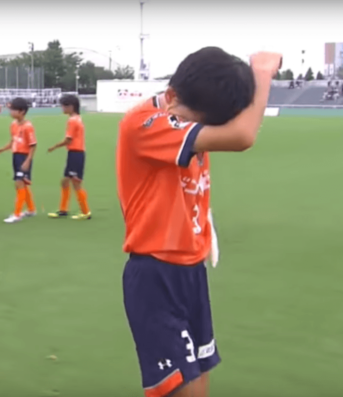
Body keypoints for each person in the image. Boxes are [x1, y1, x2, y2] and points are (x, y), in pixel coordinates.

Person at [116, 48, 281, 397]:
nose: (202, 131)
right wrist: (262, 74)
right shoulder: (144, 124)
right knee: (182, 390)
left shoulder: (185, 113)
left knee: (201, 383)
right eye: (199, 122)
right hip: (156, 277)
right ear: (172, 97)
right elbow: (242, 136)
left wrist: (202, 225)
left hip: (191, 272)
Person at [47, 94, 91, 220]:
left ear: (71, 107)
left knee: (75, 182)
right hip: (75, 153)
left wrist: (54, 146)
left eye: (64, 105)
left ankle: (85, 211)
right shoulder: (77, 118)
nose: (62, 108)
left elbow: (68, 140)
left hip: (76, 153)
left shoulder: (72, 120)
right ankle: (63, 210)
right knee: (65, 181)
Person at [0, 97, 37, 224]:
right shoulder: (13, 125)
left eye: (13, 110)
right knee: (22, 183)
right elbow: (13, 141)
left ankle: (17, 214)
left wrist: (28, 160)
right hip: (16, 156)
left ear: (22, 112)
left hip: (24, 157)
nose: (10, 112)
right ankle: (31, 209)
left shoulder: (28, 127)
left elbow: (33, 145)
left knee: (18, 183)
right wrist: (2, 149)